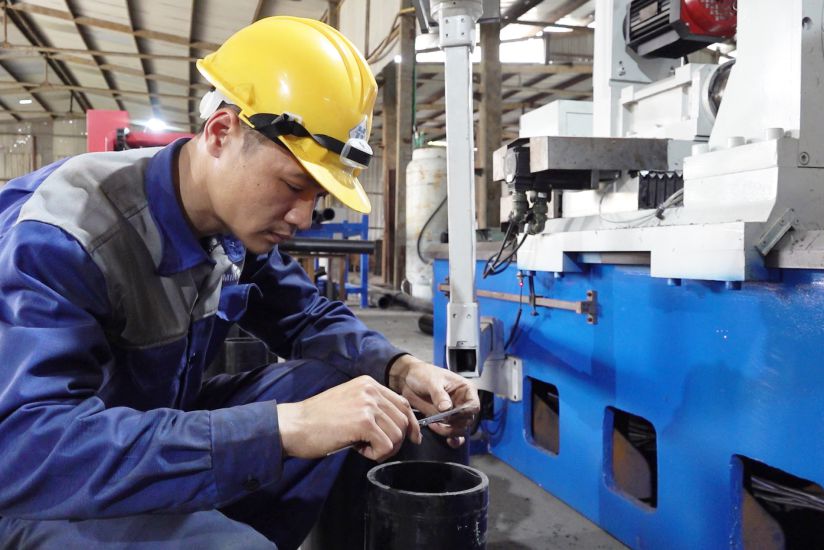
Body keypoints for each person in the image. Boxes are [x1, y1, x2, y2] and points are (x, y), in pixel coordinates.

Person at [0, 16, 479, 549]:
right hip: (40, 484)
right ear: (221, 133)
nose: (301, 217)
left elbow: (306, 316)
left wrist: (399, 367)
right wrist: (283, 429)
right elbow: (27, 450)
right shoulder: (68, 237)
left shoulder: (229, 228)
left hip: (142, 433)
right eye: (294, 184)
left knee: (349, 390)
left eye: (316, 198)